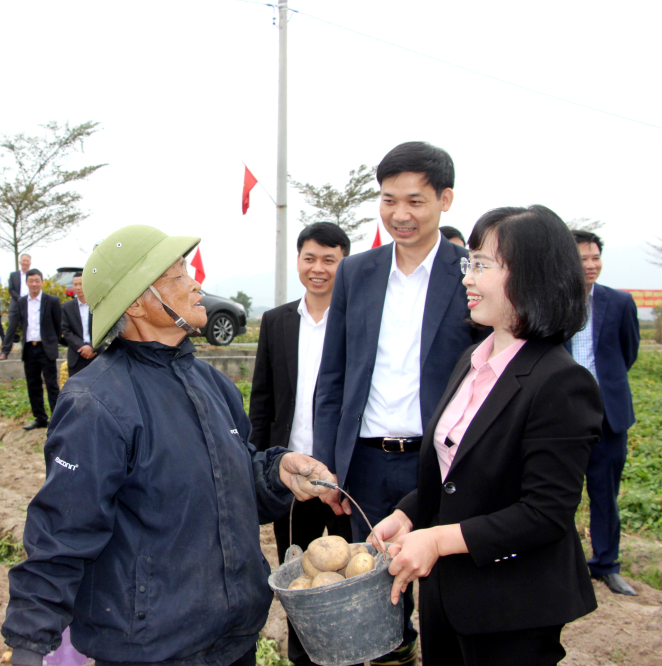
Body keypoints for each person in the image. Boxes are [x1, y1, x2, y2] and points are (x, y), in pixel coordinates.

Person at [1, 224, 342, 666]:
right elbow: (62, 532)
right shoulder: (97, 403)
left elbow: (228, 488)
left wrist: (275, 472)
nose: (195, 284)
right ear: (139, 302)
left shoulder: (213, 385)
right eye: (178, 275)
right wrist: (29, 644)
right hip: (152, 647)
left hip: (234, 640)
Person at [369, 205, 601, 666]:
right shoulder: (473, 360)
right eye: (467, 264)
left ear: (532, 275)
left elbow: (544, 513)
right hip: (447, 596)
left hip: (512, 603)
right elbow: (457, 469)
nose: (467, 279)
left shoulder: (559, 381)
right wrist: (410, 513)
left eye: (481, 265)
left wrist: (437, 540)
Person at [313, 141, 481, 665]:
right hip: (364, 461)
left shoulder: (470, 274)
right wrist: (329, 467)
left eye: (415, 201)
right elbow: (333, 377)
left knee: (445, 585)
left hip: (439, 462)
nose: (400, 215)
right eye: (389, 201)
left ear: (445, 200)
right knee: (373, 592)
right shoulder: (357, 273)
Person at [248, 222, 351, 666]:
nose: (319, 268)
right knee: (296, 572)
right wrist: (256, 460)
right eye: (310, 258)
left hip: (345, 478)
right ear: (298, 260)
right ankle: (303, 656)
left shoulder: (356, 320)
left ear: (344, 262)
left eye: (330, 259)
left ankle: (352, 652)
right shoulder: (276, 321)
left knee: (352, 573)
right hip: (293, 477)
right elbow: (263, 398)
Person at [565, 230, 640, 596]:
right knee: (559, 492)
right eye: (583, 259)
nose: (591, 265)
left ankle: (607, 564)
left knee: (605, 492)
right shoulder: (554, 302)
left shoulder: (620, 302)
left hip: (608, 416)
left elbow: (628, 353)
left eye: (596, 257)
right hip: (562, 417)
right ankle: (563, 566)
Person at [2, 269, 62, 430]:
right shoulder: (22, 302)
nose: (34, 284)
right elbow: (17, 325)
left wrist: (51, 341)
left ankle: (56, 420)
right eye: (31, 281)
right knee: (32, 385)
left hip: (46, 348)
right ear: (27, 283)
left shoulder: (52, 301)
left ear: (42, 282)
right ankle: (40, 418)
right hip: (29, 348)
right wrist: (5, 349)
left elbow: (58, 326)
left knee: (51, 385)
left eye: (37, 280)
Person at [61, 272, 102, 377]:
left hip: (97, 354)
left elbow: (103, 327)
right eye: (75, 284)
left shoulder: (98, 305)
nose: (78, 287)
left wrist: (92, 347)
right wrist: (82, 347)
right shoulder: (67, 307)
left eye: (81, 284)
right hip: (76, 355)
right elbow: (65, 330)